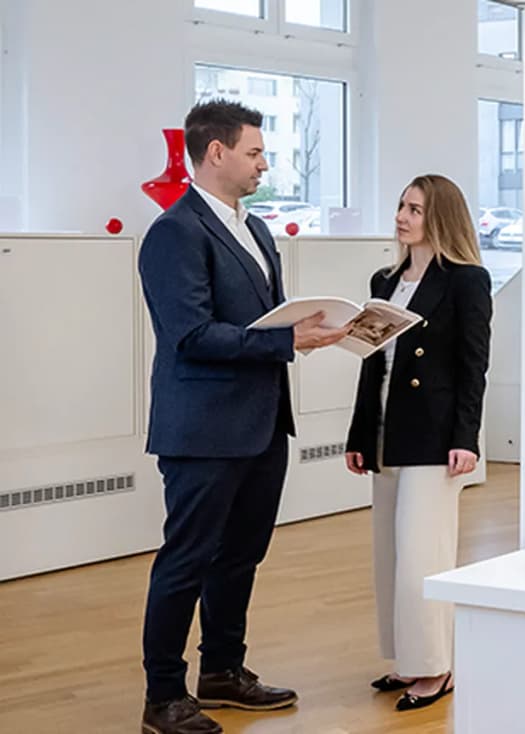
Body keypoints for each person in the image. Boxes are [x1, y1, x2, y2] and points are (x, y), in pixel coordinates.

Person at [137, 100, 350, 734]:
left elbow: (261, 317)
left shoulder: (254, 230)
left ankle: (223, 671)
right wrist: (289, 343)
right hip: (202, 428)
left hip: (261, 422)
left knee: (241, 556)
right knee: (187, 559)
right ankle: (163, 697)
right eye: (255, 152)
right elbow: (191, 335)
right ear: (216, 153)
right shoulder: (174, 233)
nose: (265, 162)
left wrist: (306, 327)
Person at [344, 175, 493, 712]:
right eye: (401, 206)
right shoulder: (384, 280)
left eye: (415, 209)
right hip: (385, 431)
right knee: (389, 553)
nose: (403, 217)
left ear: (441, 218)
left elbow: (474, 367)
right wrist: (360, 435)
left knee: (421, 557)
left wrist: (466, 438)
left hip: (434, 435)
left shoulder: (467, 281)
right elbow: (371, 363)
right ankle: (406, 658)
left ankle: (435, 668)